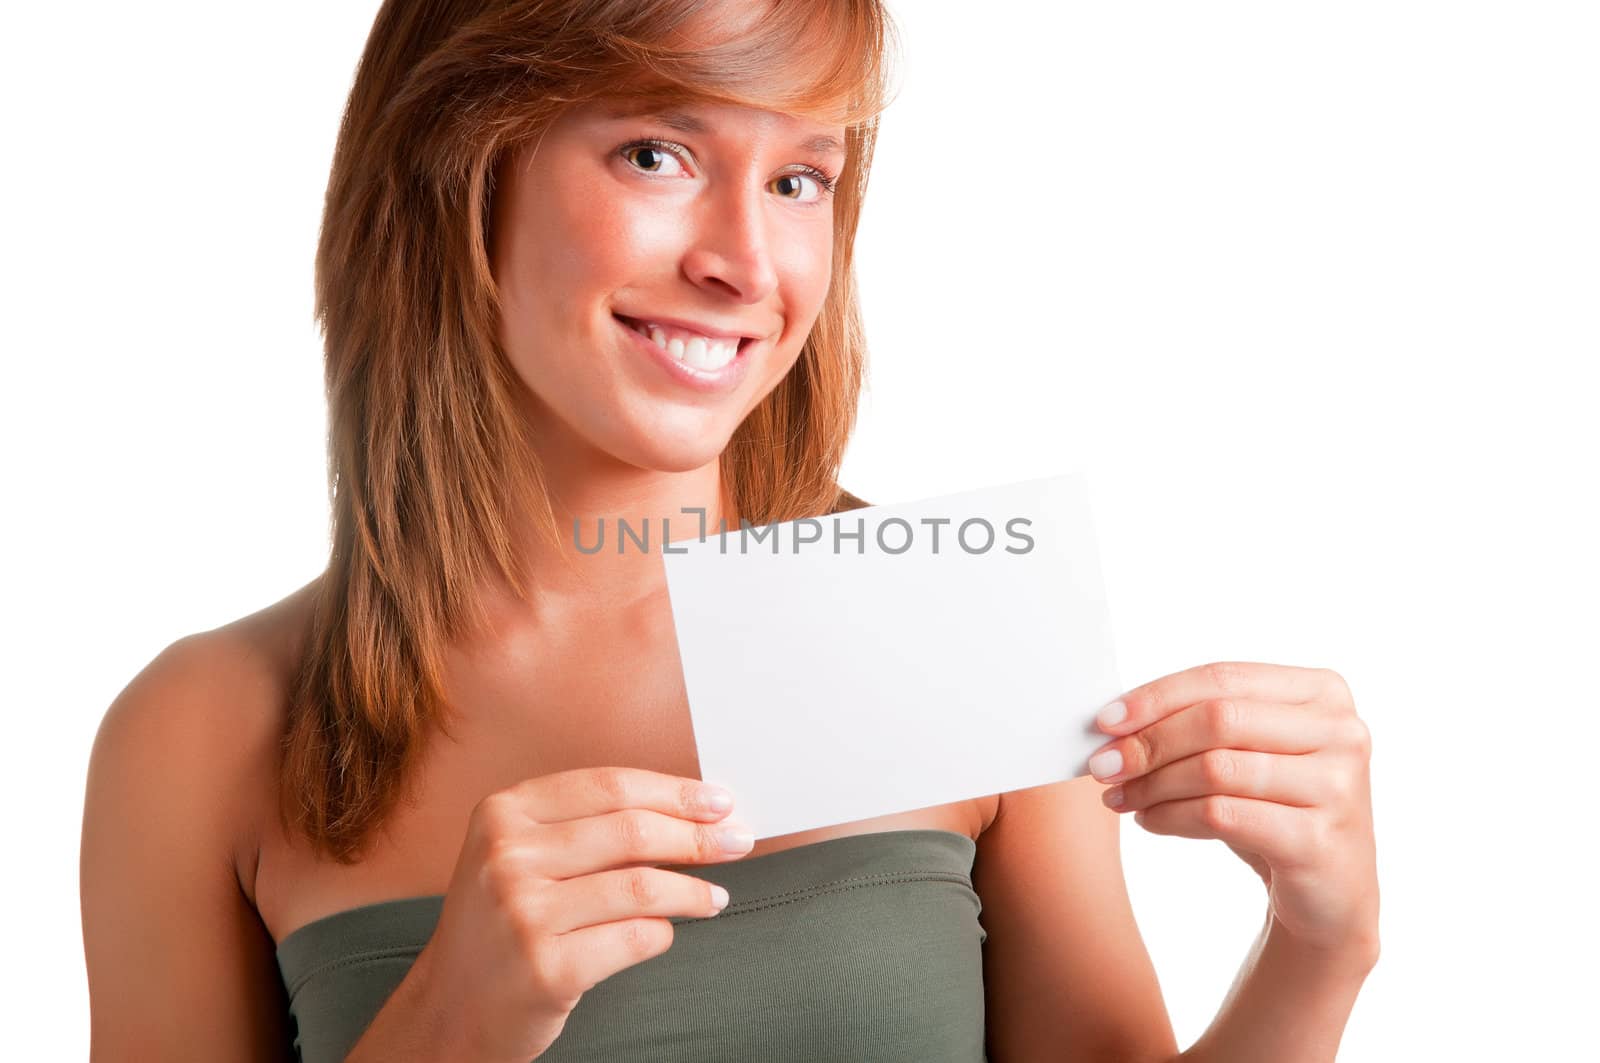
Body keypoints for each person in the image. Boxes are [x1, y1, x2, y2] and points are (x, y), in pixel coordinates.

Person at [79, 1, 1381, 1060]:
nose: (748, 265)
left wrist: (1322, 952)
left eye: (802, 177)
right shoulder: (205, 732)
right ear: (456, 171)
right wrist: (450, 1027)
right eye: (660, 153)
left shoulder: (944, 620)